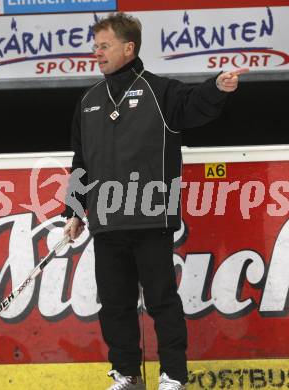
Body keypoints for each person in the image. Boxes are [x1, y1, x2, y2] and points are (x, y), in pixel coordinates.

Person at [62, 12, 248, 390]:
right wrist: (73, 210)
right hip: (106, 221)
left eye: (104, 45)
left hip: (151, 217)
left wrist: (217, 87)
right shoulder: (88, 101)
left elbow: (197, 103)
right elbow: (80, 163)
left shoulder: (160, 92)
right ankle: (127, 374)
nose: (96, 52)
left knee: (162, 301)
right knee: (114, 305)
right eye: (95, 45)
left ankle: (173, 376)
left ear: (128, 48)